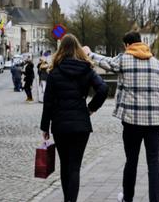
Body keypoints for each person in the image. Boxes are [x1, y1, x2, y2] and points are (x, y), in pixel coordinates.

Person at [84, 31, 159, 202]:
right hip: (154, 122)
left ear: (127, 45)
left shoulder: (124, 60)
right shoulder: (158, 64)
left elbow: (106, 63)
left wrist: (89, 53)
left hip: (131, 122)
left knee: (131, 160)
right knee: (153, 163)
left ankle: (128, 198)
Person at [40, 34, 108, 202]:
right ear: (78, 49)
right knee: (75, 167)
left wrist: (45, 127)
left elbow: (48, 102)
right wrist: (91, 108)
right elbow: (103, 89)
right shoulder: (87, 70)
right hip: (81, 124)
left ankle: (67, 200)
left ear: (61, 50)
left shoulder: (55, 72)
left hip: (60, 125)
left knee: (65, 165)